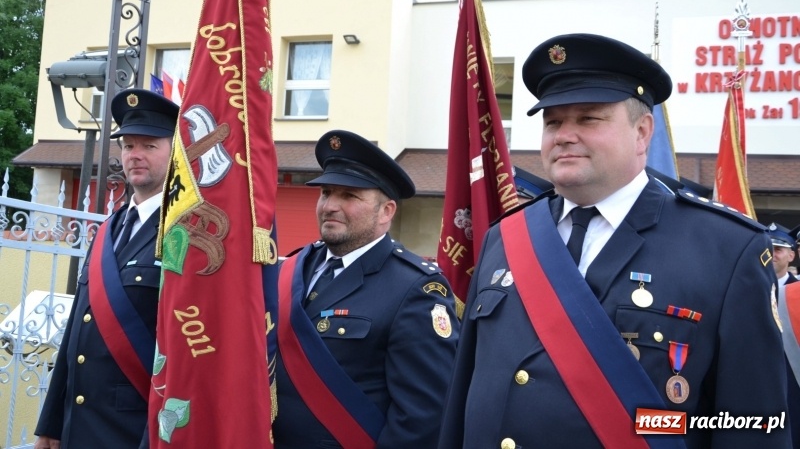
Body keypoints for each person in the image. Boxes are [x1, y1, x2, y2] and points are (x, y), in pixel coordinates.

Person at [438, 33, 790, 448]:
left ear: (642, 133)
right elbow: (462, 400)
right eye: (553, 122)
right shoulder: (506, 236)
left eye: (588, 118)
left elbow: (750, 426)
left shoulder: (726, 249)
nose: (563, 135)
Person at [273, 129, 460, 448]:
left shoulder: (416, 287)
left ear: (386, 211)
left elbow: (423, 417)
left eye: (349, 196)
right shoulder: (291, 268)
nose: (330, 205)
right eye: (326, 192)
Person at [35, 88, 179, 449]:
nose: (136, 155)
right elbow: (75, 335)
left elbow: (184, 353)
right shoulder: (109, 230)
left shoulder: (185, 234)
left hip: (133, 432)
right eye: (129, 145)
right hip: (78, 428)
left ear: (175, 151)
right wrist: (51, 424)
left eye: (149, 145)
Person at [769, 223, 798, 287]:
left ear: (791, 256)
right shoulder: (749, 287)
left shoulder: (798, 290)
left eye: (778, 249)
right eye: (767, 248)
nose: (771, 254)